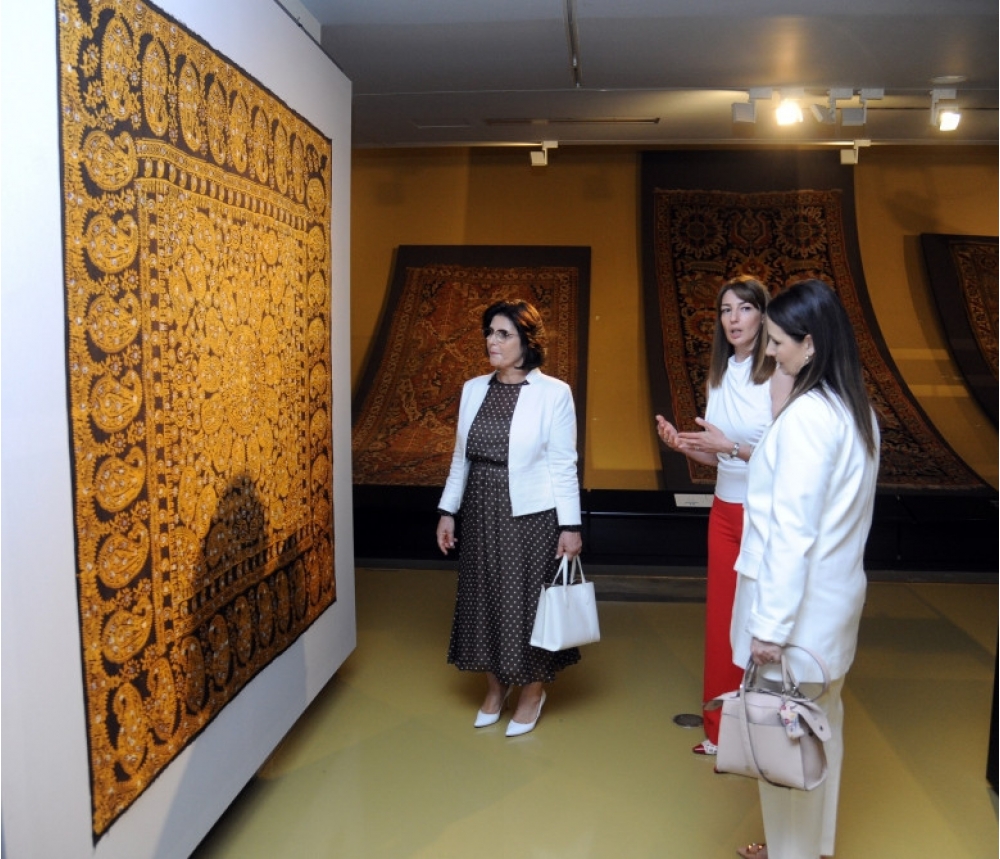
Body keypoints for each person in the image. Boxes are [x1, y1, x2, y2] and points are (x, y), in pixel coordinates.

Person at [731, 279, 880, 859]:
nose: (770, 352)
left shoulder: (807, 419)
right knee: (823, 732)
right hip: (832, 612)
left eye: (776, 341)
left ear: (810, 343)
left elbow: (791, 533)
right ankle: (812, 848)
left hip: (796, 623)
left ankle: (789, 853)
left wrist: (769, 626)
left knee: (785, 742)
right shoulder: (856, 412)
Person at [655, 276, 792, 756]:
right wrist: (684, 445)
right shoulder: (719, 375)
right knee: (721, 619)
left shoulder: (777, 374)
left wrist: (728, 447)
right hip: (724, 510)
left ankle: (759, 734)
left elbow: (785, 458)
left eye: (745, 308)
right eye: (725, 310)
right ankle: (719, 731)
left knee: (756, 623)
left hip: (763, 514)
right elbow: (719, 457)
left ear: (763, 316)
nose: (734, 318)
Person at [436, 298, 583, 737]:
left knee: (528, 605)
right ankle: (495, 689)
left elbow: (563, 464)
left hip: (532, 515)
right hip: (480, 509)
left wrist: (570, 526)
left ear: (527, 341)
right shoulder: (473, 389)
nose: (492, 341)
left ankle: (532, 692)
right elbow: (460, 458)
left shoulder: (554, 393)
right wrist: (448, 511)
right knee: (484, 598)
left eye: (503, 334)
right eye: (489, 332)